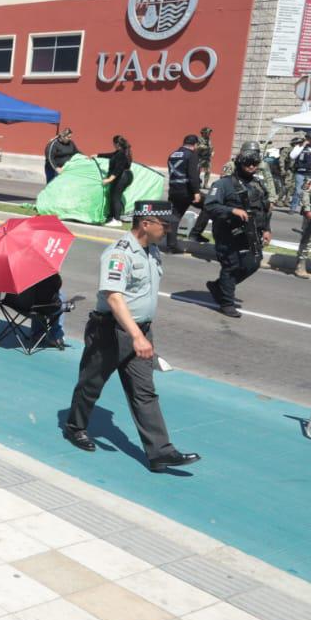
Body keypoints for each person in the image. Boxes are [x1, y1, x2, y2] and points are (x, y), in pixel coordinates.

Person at [63, 201, 201, 473]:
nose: (169, 229)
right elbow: (114, 297)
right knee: (91, 384)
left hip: (140, 331)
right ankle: (74, 426)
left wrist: (141, 334)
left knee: (145, 392)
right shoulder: (119, 253)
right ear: (146, 224)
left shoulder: (151, 251)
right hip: (110, 331)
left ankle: (160, 453)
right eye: (165, 224)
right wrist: (137, 336)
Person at [203, 146, 271, 318]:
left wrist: (266, 229)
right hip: (228, 231)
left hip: (251, 232)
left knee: (254, 262)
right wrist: (232, 211)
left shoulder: (258, 184)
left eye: (255, 164)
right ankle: (226, 302)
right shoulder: (224, 184)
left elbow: (264, 209)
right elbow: (210, 205)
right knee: (231, 265)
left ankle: (219, 286)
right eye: (248, 163)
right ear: (240, 163)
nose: (251, 167)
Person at [165, 134, 202, 253]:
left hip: (174, 189)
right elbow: (193, 175)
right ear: (195, 145)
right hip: (187, 191)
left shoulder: (172, 155)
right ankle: (195, 234)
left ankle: (171, 245)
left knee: (174, 216)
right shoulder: (191, 155)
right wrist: (196, 192)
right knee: (209, 205)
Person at [101, 135, 134, 226]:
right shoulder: (120, 152)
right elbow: (110, 155)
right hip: (125, 176)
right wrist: (97, 155)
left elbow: (118, 169)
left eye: (113, 143)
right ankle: (113, 217)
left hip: (122, 177)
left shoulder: (121, 154)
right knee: (114, 196)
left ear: (117, 144)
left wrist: (109, 179)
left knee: (116, 197)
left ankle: (117, 220)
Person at [290, 132, 311, 214]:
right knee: (298, 191)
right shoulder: (299, 146)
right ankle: (293, 208)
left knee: (308, 192)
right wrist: (303, 145)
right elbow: (292, 156)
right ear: (307, 139)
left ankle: (305, 209)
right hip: (300, 172)